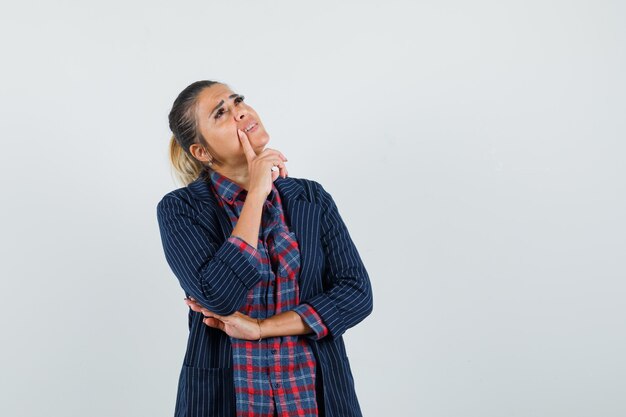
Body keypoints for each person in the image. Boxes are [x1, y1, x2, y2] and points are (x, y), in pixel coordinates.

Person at [156, 80, 373, 417]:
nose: (240, 111)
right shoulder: (180, 209)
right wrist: (256, 193)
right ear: (202, 152)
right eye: (221, 113)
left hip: (313, 398)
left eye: (237, 100)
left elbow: (357, 294)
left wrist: (260, 329)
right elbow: (218, 296)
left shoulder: (310, 198)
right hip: (229, 400)